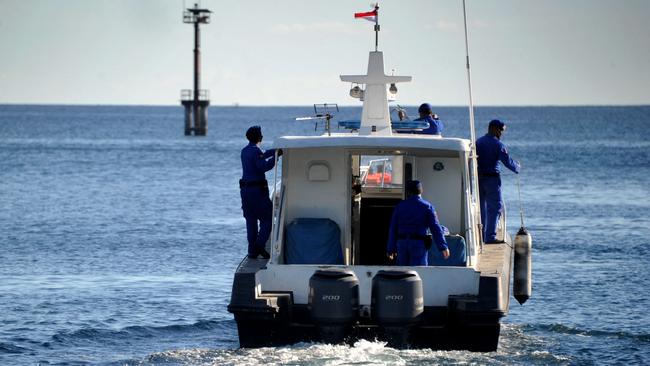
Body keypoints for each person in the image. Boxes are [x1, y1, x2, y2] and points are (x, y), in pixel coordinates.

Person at [475, 119, 520, 244]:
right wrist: (517, 167)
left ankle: (481, 236)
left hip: (478, 179)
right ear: (494, 128)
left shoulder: (478, 142)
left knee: (482, 208)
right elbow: (507, 162)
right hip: (492, 180)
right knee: (495, 207)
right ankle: (490, 237)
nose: (501, 133)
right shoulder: (498, 145)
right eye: (500, 130)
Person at [240, 125, 281, 259]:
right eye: (261, 135)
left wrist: (274, 151)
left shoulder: (245, 151)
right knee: (267, 219)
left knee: (250, 220)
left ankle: (252, 251)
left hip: (245, 192)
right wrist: (276, 158)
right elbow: (263, 166)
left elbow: (261, 154)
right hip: (257, 192)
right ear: (259, 138)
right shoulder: (255, 152)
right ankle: (258, 246)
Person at [387, 180, 450, 266]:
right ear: (421, 191)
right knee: (420, 273)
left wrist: (390, 249)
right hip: (418, 245)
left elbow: (393, 229)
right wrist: (443, 247)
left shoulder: (400, 206)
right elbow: (435, 228)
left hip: (402, 244)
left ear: (409, 192)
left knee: (402, 273)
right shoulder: (427, 207)